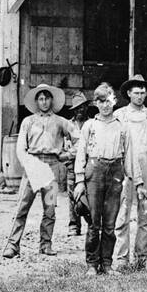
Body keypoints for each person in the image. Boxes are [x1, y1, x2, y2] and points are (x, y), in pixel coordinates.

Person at [2, 83, 78, 259]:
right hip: (33, 166)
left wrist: (67, 155)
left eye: (47, 98)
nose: (44, 102)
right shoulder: (28, 122)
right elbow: (21, 148)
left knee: (50, 209)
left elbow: (79, 138)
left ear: (52, 100)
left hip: (52, 167)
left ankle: (46, 244)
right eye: (41, 99)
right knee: (22, 207)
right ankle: (13, 245)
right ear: (37, 101)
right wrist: (28, 164)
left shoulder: (61, 122)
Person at [74, 82, 142, 276]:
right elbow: (81, 154)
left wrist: (137, 182)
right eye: (101, 101)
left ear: (115, 101)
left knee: (110, 223)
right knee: (94, 222)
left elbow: (129, 156)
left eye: (108, 101)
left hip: (115, 172)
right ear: (96, 102)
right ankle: (92, 264)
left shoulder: (122, 128)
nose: (105, 105)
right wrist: (80, 181)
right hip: (94, 171)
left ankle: (107, 264)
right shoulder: (90, 125)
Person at [112, 74, 147, 271]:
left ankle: (142, 257)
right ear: (128, 93)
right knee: (123, 211)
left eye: (143, 93)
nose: (140, 96)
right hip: (124, 165)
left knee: (145, 212)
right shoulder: (119, 115)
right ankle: (121, 258)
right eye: (136, 93)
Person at [61, 92, 95, 237]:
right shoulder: (68, 125)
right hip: (71, 165)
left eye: (83, 107)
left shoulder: (93, 124)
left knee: (89, 194)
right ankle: (74, 225)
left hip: (88, 165)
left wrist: (76, 151)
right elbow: (65, 147)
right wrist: (73, 153)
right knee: (72, 194)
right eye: (77, 108)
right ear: (73, 110)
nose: (80, 110)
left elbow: (92, 146)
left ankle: (91, 224)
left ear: (87, 107)